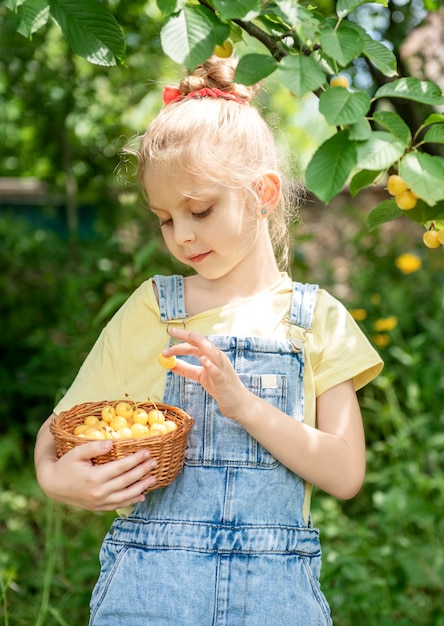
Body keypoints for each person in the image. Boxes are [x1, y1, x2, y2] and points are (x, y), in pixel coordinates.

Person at [34, 55, 383, 625]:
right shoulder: (155, 308)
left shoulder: (316, 317)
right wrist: (57, 479)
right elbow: (57, 435)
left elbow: (344, 472)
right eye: (165, 218)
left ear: (263, 193)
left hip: (273, 599)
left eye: (200, 209)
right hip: (149, 594)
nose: (183, 234)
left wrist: (243, 405)